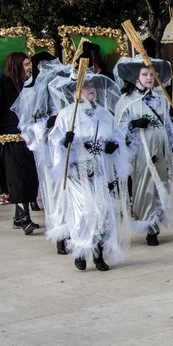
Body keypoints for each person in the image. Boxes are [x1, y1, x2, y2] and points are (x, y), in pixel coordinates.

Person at [50, 73, 128, 271]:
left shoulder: (104, 113)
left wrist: (113, 145)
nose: (91, 89)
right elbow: (55, 140)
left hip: (102, 167)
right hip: (78, 171)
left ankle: (98, 254)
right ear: (76, 90)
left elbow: (118, 135)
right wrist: (64, 142)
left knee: (102, 210)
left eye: (93, 86)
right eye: (86, 86)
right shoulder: (68, 114)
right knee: (84, 211)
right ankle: (82, 250)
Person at [114, 55, 173, 247]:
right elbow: (116, 130)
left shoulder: (161, 100)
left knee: (160, 186)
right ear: (136, 77)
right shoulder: (126, 101)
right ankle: (148, 225)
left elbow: (168, 127)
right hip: (140, 152)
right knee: (144, 188)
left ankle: (155, 221)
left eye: (151, 74)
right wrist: (132, 124)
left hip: (161, 151)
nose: (149, 78)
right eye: (144, 74)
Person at [11, 55, 73, 253]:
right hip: (48, 149)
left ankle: (74, 231)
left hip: (68, 147)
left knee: (72, 190)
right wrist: (45, 127)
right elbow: (27, 125)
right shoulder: (31, 89)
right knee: (54, 192)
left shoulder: (63, 83)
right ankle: (59, 234)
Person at [0, 52, 41, 233]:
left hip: (29, 139)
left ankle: (18, 217)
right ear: (15, 65)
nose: (29, 67)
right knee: (18, 179)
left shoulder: (29, 85)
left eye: (29, 64)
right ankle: (24, 218)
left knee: (29, 178)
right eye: (25, 64)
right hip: (10, 141)